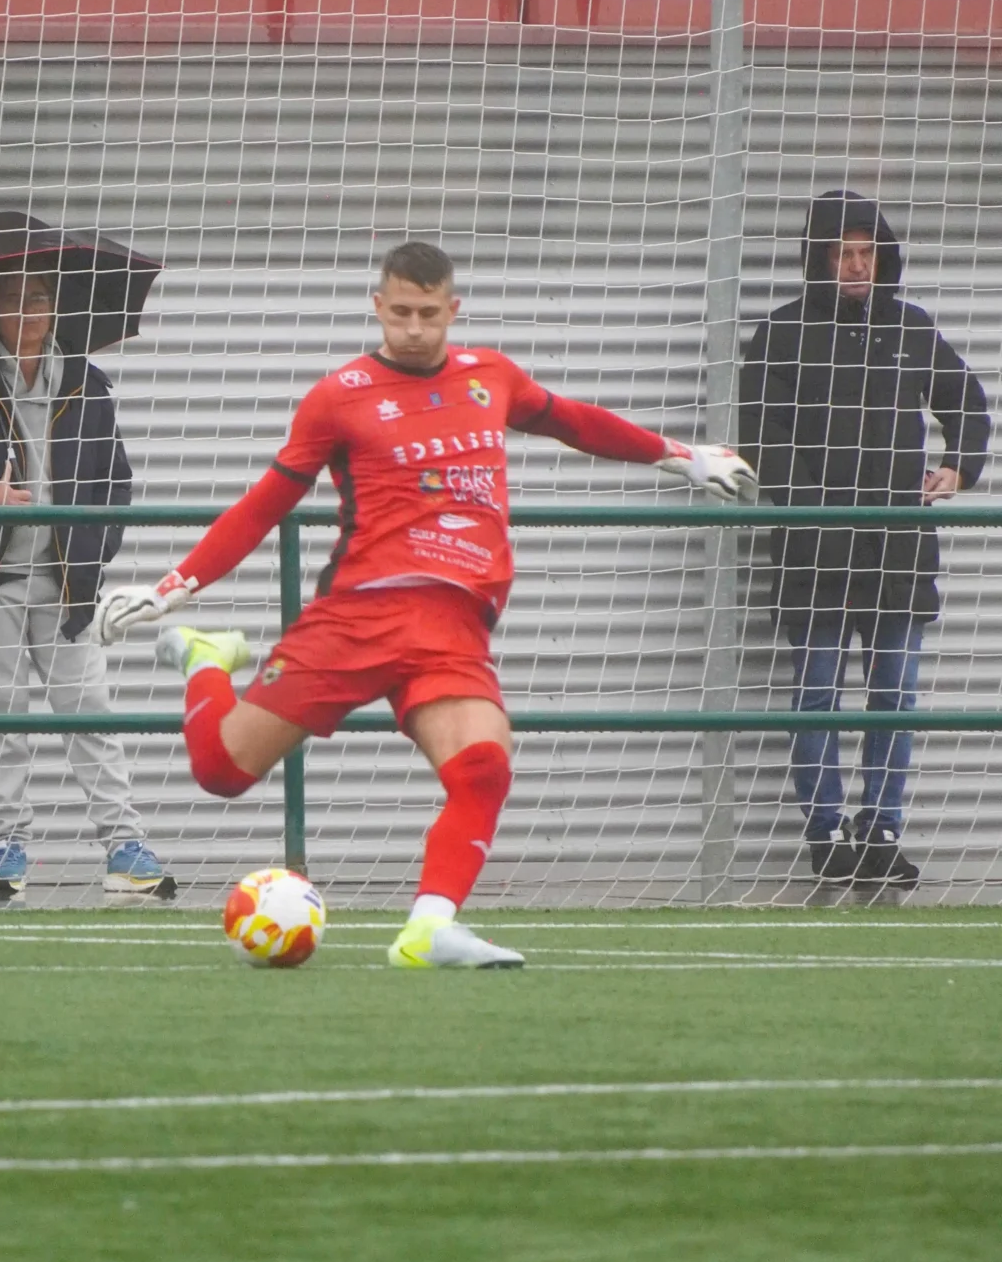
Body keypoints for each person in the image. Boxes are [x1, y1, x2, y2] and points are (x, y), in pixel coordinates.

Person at [97, 239, 754, 966]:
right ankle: (204, 656)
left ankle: (429, 927)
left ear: (453, 310)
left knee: (483, 764)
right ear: (378, 307)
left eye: (429, 314)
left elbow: (573, 420)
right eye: (401, 313)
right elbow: (265, 503)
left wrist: (684, 455)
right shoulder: (338, 396)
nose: (414, 328)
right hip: (358, 616)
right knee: (221, 771)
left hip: (452, 625)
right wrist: (172, 588)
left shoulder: (491, 377)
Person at [739, 190, 989, 889]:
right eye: (843, 253)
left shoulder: (911, 330)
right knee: (817, 696)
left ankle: (880, 830)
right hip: (814, 548)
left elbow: (966, 401)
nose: (856, 266)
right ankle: (826, 836)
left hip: (900, 550)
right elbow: (763, 435)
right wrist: (819, 505)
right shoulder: (780, 336)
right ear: (819, 260)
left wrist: (959, 467)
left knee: (894, 696)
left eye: (867, 252)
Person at [0, 268, 175, 906]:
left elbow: (116, 483)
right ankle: (8, 850)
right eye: (10, 300)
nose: (27, 311)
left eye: (38, 298)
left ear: (55, 306)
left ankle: (125, 847)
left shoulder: (88, 386)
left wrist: (93, 552)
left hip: (65, 587)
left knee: (90, 715)